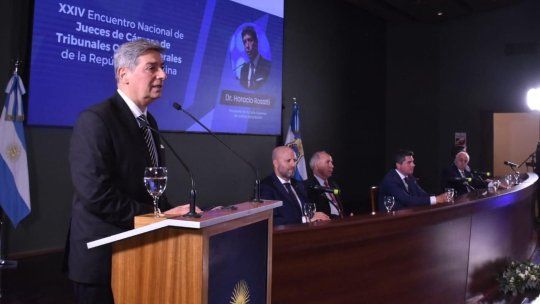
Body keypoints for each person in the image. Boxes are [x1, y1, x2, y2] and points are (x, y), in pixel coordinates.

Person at [66, 39, 197, 303]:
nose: (163, 74)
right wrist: (157, 216)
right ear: (123, 74)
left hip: (141, 255)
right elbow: (96, 195)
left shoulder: (149, 121)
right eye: (152, 67)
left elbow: (149, 191)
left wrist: (179, 213)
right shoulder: (96, 120)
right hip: (103, 259)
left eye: (162, 67)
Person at [260, 146, 330, 225]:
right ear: (276, 163)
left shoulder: (299, 184)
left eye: (295, 160)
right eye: (288, 160)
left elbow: (307, 210)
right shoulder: (266, 187)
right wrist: (306, 219)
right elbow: (271, 221)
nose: (293, 164)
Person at [378, 150, 448, 211]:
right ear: (398, 165)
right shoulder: (390, 180)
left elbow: (422, 195)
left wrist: (440, 197)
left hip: (408, 215)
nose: (413, 165)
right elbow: (407, 200)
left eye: (413, 162)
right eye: (409, 162)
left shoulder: (409, 177)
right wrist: (436, 199)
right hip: (391, 220)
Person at [306, 151, 349, 219]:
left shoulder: (334, 185)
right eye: (328, 162)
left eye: (331, 162)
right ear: (317, 165)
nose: (332, 166)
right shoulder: (309, 186)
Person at [239, 26, 271, 90]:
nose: (247, 46)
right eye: (244, 42)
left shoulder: (268, 66)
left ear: (256, 42)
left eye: (250, 40)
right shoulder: (243, 70)